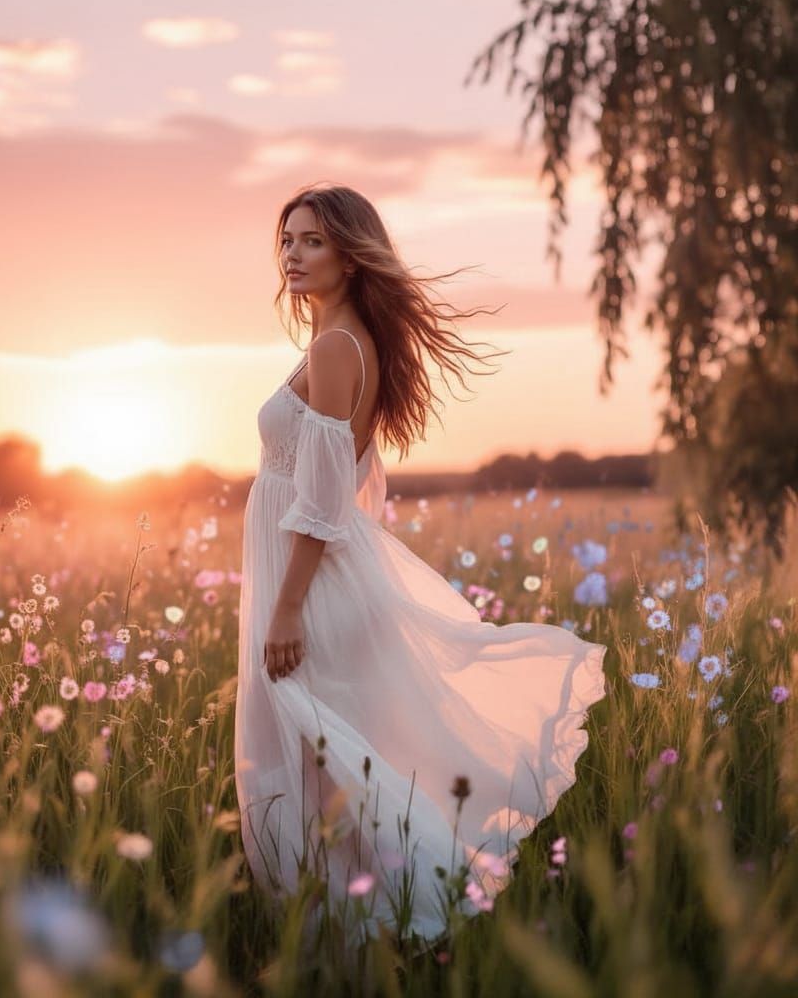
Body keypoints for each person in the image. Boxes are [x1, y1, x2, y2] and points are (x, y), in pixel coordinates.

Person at [233, 183, 608, 952]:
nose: (292, 256)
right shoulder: (346, 340)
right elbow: (356, 483)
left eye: (311, 241)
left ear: (350, 255)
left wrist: (287, 608)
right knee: (336, 772)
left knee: (323, 775)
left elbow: (323, 496)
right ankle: (364, 941)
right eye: (287, 241)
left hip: (310, 587)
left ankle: (352, 943)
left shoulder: (337, 347)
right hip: (320, 576)